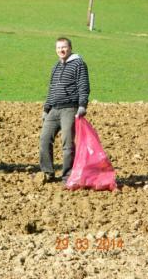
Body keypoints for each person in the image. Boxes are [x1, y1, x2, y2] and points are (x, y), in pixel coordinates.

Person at [39, 37, 90, 184]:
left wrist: (82, 106)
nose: (61, 50)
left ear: (70, 48)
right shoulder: (56, 66)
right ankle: (48, 173)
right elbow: (52, 89)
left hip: (69, 108)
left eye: (64, 47)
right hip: (54, 109)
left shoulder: (79, 64)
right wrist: (46, 108)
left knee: (67, 144)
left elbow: (83, 85)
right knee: (44, 139)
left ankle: (67, 176)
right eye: (58, 48)